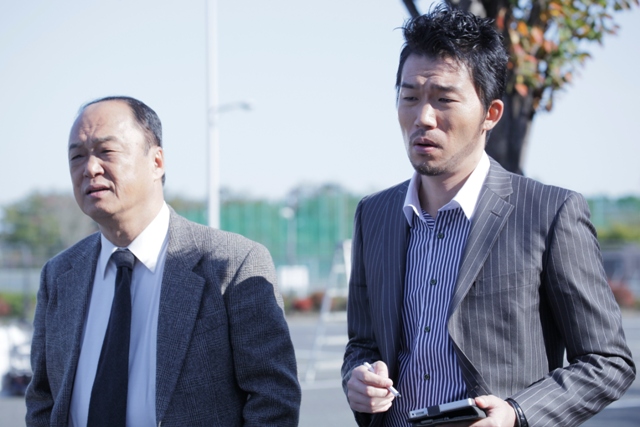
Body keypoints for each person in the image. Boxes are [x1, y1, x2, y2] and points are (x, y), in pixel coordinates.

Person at [341, 6, 635, 427]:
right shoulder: (375, 214)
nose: (423, 118)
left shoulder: (550, 213)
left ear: (491, 114)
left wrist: (517, 414)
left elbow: (607, 361)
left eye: (444, 99)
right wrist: (359, 378)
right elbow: (363, 343)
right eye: (409, 98)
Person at [25, 96, 301, 427]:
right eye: (77, 156)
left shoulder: (233, 263)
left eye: (106, 151)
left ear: (156, 162)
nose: (90, 168)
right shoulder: (59, 275)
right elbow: (43, 398)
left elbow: (273, 400)